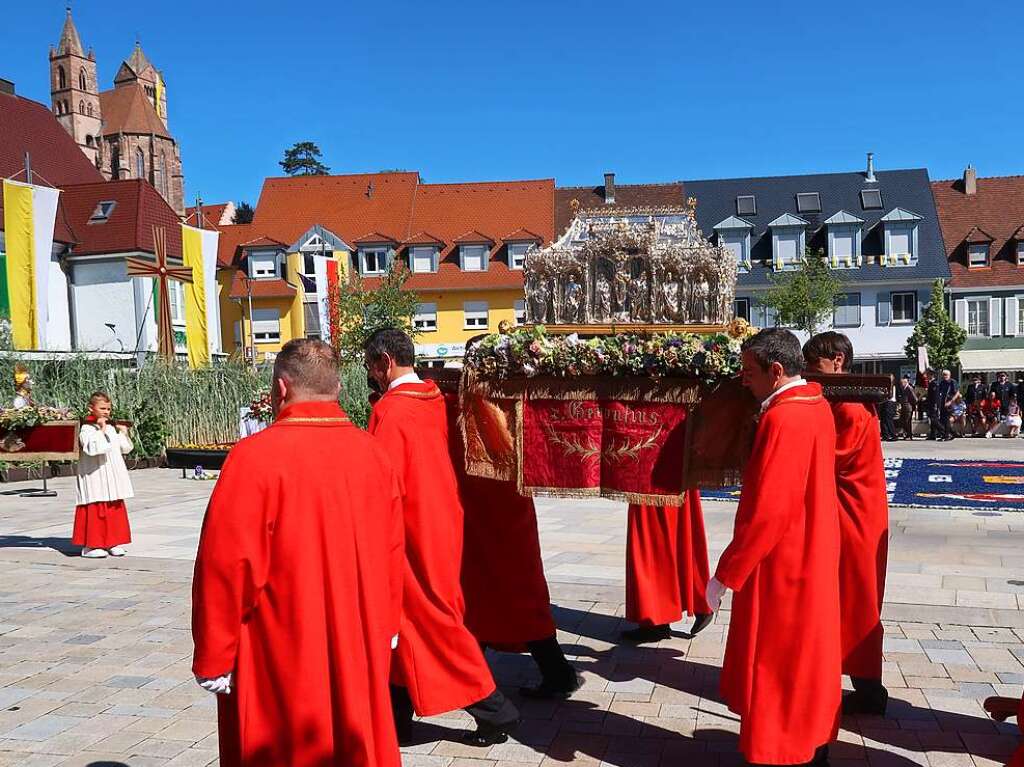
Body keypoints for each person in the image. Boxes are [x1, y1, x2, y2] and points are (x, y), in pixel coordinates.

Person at [191, 339, 405, 767]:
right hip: (358, 638)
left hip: (279, 648)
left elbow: (226, 563)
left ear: (281, 390)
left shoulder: (253, 458)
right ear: (339, 389)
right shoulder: (375, 456)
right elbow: (393, 552)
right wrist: (388, 624)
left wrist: (215, 654)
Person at [365, 328, 519, 746]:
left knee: (430, 622)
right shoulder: (436, 398)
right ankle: (395, 719)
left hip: (410, 530)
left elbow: (381, 481)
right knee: (405, 623)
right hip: (442, 519)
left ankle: (494, 708)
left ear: (385, 362)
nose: (372, 377)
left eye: (371, 367)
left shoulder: (391, 412)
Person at [705, 328, 841, 766]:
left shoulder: (785, 418)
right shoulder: (815, 404)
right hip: (811, 551)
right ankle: (813, 742)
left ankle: (782, 750)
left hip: (784, 562)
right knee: (808, 660)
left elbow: (771, 510)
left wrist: (727, 573)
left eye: (748, 373)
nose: (743, 380)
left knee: (779, 664)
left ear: (776, 370)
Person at [443, 387, 581, 699]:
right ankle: (479, 672)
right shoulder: (514, 403)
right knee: (506, 597)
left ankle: (553, 673)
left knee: (507, 598)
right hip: (497, 511)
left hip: (490, 510)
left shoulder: (465, 406)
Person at [803, 332, 890, 716]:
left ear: (837, 361)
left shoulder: (850, 406)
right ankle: (859, 681)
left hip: (855, 517)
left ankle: (870, 688)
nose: (809, 374)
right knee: (851, 598)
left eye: (815, 366)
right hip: (853, 511)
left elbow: (829, 455)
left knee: (858, 600)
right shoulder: (845, 398)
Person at [622, 497, 713, 643]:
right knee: (678, 529)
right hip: (676, 478)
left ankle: (654, 619)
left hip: (651, 481)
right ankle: (701, 600)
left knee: (651, 534)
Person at [73, 392, 134, 559]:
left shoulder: (111, 426)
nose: (106, 411)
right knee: (96, 507)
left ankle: (113, 542)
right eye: (102, 408)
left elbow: (125, 448)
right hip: (95, 474)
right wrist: (101, 429)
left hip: (112, 473)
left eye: (108, 408)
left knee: (114, 505)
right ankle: (91, 545)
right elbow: (93, 449)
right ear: (91, 408)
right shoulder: (86, 427)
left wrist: (122, 433)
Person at [936, 369, 959, 441]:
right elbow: (939, 392)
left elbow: (957, 393)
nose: (944, 376)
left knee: (947, 419)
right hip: (943, 403)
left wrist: (951, 401)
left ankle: (947, 436)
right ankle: (952, 433)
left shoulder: (952, 382)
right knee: (942, 419)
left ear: (949, 375)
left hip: (950, 403)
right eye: (943, 375)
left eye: (946, 375)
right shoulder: (942, 382)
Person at [896, 375, 917, 440]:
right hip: (904, 407)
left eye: (902, 383)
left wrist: (912, 404)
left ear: (905, 382)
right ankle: (907, 434)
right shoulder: (903, 388)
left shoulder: (909, 388)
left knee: (907, 421)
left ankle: (909, 435)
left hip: (908, 407)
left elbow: (914, 398)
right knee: (903, 421)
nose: (901, 384)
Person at [878, 375, 898, 441]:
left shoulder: (891, 385)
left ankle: (893, 435)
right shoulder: (888, 385)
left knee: (888, 420)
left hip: (889, 403)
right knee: (883, 420)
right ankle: (885, 435)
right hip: (885, 402)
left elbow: (890, 395)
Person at [924, 369, 941, 440]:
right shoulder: (931, 383)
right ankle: (933, 435)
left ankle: (944, 431)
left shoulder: (934, 383)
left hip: (933, 405)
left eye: (927, 375)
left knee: (934, 420)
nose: (926, 376)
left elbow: (935, 396)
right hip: (931, 405)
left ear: (931, 375)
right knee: (932, 420)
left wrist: (935, 405)